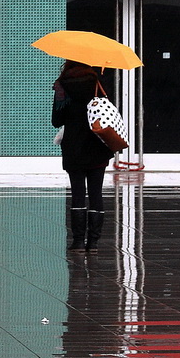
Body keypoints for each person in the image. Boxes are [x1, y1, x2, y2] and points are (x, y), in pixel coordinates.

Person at [52, 59, 113, 253]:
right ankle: (93, 243)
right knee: (96, 194)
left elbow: (56, 120)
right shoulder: (97, 82)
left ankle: (78, 242)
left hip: (74, 147)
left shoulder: (62, 85)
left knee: (78, 194)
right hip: (98, 145)